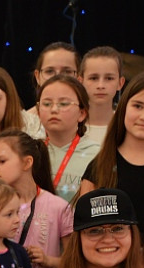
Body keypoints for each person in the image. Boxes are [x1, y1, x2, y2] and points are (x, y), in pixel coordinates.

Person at [80, 72, 144, 242]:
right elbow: (85, 228)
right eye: (138, 106)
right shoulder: (99, 166)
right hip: (111, 261)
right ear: (123, 107)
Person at [0, 130, 73, 268]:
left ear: (27, 162)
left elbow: (75, 264)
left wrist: (47, 260)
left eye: (1, 161)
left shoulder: (59, 206)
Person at [37, 74, 100, 203]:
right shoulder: (30, 151)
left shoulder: (97, 155)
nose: (54, 109)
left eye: (64, 103)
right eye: (47, 103)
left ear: (82, 113)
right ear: (38, 111)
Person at [78, 46, 125, 145]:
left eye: (109, 78)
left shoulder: (127, 126)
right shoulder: (68, 124)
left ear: (120, 83)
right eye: (93, 78)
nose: (101, 86)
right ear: (80, 81)